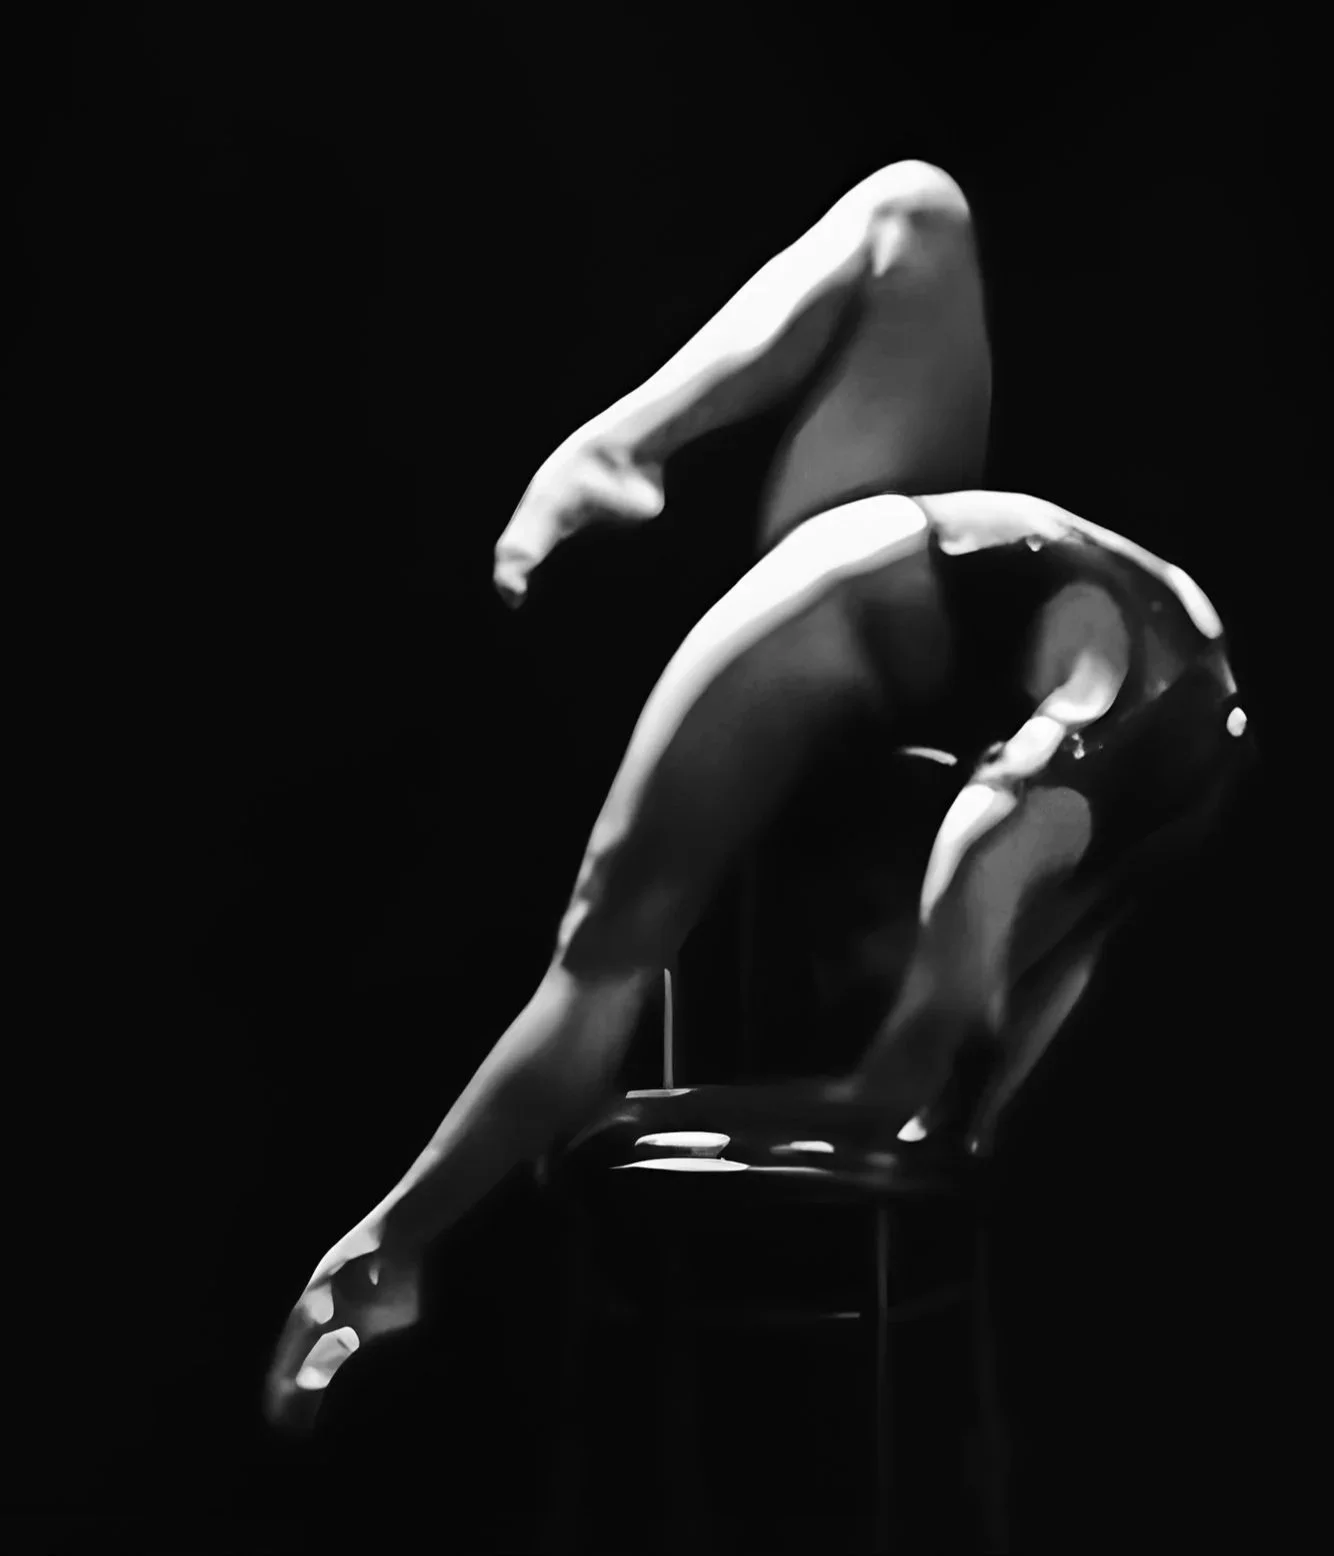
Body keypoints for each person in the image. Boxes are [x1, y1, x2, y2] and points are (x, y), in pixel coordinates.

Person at [261, 159, 1251, 1435]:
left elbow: (1012, 1013)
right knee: (597, 968)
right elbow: (912, 1074)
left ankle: (386, 1249)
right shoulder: (1020, 823)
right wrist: (929, 1089)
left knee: (919, 212)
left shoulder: (1154, 785)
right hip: (842, 586)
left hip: (952, 583)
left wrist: (963, 1103)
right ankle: (385, 1250)